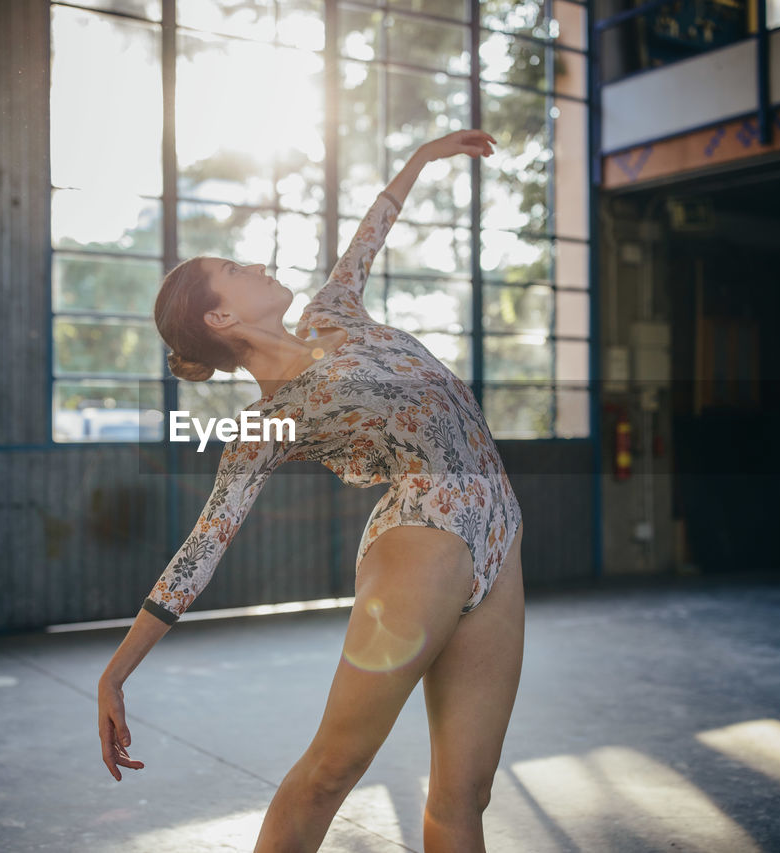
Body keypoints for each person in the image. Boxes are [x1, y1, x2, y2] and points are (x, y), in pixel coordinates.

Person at [98, 128, 525, 853]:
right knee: (333, 768)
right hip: (422, 539)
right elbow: (200, 551)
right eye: (236, 268)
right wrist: (114, 675)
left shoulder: (335, 307)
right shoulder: (268, 423)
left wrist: (424, 154)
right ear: (221, 317)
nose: (257, 262)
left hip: (500, 530)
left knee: (466, 793)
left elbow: (372, 228)